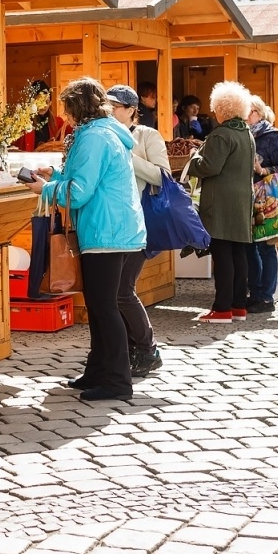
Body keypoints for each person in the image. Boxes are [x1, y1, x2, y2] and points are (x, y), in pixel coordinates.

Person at [24, 78, 145, 401]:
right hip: (115, 228)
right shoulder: (105, 133)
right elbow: (84, 181)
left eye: (66, 108)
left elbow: (78, 194)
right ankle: (98, 371)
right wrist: (56, 178)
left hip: (106, 231)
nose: (64, 116)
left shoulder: (94, 138)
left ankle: (118, 380)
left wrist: (45, 190)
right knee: (99, 304)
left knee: (104, 307)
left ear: (77, 108)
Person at [106, 84, 167, 375]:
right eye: (107, 105)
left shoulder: (146, 135)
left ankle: (148, 349)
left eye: (115, 106)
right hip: (113, 225)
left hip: (141, 222)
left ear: (131, 110)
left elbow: (162, 175)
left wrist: (127, 157)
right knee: (114, 290)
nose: (110, 110)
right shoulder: (102, 136)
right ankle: (130, 350)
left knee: (122, 289)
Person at [187, 82, 257, 323]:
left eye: (215, 107)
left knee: (222, 256)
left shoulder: (221, 134)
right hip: (241, 201)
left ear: (223, 109)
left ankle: (222, 308)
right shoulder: (246, 132)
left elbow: (209, 167)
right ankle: (238, 307)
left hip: (220, 203)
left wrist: (192, 159)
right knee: (239, 254)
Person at [244, 97, 278, 313]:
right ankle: (254, 293)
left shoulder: (270, 136)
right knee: (249, 247)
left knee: (266, 246)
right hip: (246, 197)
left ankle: (267, 297)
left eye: (248, 111)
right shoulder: (242, 135)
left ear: (258, 112)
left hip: (267, 197)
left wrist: (263, 170)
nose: (245, 116)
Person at [14, 79, 72, 151]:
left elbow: (71, 133)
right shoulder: (22, 123)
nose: (43, 106)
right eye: (39, 102)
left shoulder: (58, 123)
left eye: (46, 102)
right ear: (32, 102)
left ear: (50, 103)